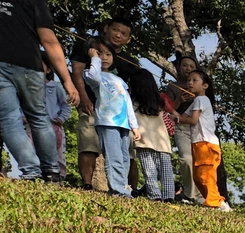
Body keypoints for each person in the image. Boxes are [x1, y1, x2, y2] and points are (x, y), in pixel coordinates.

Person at [0, 0, 78, 182]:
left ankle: (31, 172)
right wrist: (67, 80)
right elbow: (49, 40)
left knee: (9, 120)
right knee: (38, 116)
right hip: (30, 65)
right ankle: (52, 173)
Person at [72, 19, 140, 191]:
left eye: (124, 33)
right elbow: (82, 73)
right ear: (106, 28)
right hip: (96, 111)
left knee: (126, 155)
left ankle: (127, 188)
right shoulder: (88, 50)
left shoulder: (127, 63)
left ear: (129, 39)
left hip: (122, 119)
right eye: (115, 30)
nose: (118, 35)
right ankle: (94, 185)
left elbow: (128, 95)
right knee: (90, 146)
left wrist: (134, 125)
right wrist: (83, 97)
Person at [83, 39, 137, 197]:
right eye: (99, 54)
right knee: (113, 157)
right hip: (107, 123)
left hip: (124, 125)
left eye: (108, 54)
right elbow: (94, 77)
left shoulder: (120, 80)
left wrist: (135, 126)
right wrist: (94, 59)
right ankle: (117, 190)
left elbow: (127, 103)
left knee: (124, 158)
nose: (104, 57)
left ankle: (123, 187)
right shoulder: (92, 75)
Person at [176, 69, 228, 210]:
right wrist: (173, 107)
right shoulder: (196, 101)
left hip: (206, 143)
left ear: (205, 86)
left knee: (205, 175)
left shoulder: (201, 99)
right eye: (188, 80)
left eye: (194, 80)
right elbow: (181, 117)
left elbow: (192, 120)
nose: (190, 83)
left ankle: (214, 202)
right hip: (198, 143)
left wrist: (176, 117)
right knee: (198, 176)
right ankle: (216, 201)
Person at [129, 71, 173, 201]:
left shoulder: (133, 104)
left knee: (149, 171)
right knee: (166, 172)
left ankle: (155, 196)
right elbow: (169, 126)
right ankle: (169, 197)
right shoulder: (159, 104)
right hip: (163, 143)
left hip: (144, 141)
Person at [162, 53, 198, 201]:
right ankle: (191, 194)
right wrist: (179, 100)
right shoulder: (172, 86)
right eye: (185, 65)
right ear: (179, 67)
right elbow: (167, 110)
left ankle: (203, 195)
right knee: (187, 159)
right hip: (181, 127)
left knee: (202, 162)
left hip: (199, 128)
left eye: (191, 66)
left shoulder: (200, 86)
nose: (188, 69)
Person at [43, 62, 71, 177]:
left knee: (57, 153)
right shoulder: (28, 87)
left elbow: (66, 105)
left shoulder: (55, 86)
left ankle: (58, 177)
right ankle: (36, 176)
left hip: (53, 126)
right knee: (33, 150)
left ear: (48, 70)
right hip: (32, 125)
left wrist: (61, 118)